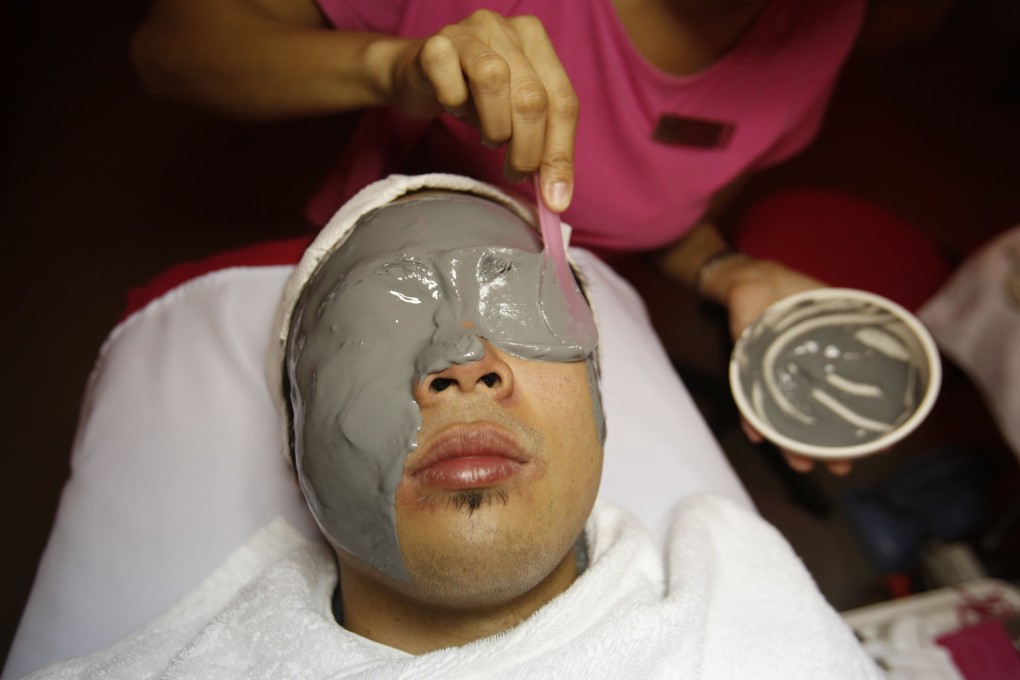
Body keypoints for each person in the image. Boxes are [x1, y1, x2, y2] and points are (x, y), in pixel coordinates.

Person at [24, 174, 881, 678]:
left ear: (601, 405)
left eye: (521, 304)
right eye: (373, 320)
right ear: (294, 440)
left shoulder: (743, 599)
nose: (465, 358)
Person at [130, 0, 866, 472]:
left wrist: (726, 267)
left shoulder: (824, 29)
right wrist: (391, 65)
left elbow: (651, 212)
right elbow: (170, 51)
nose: (474, 374)